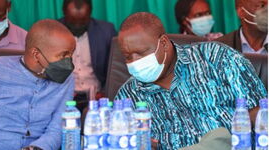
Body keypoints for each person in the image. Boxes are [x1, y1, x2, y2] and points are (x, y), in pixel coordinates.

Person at [114, 12, 267, 150]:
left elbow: (262, 112)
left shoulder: (217, 59)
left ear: (164, 43)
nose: (134, 62)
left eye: (141, 54)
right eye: (128, 56)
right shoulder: (128, 96)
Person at [0, 19, 75, 150]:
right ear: (36, 54)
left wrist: (37, 148)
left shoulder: (66, 79)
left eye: (71, 54)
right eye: (63, 55)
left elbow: (58, 127)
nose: (69, 63)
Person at [58, 0, 117, 100]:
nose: (77, 25)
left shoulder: (106, 31)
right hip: (63, 96)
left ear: (90, 14)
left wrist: (104, 91)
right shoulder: (53, 31)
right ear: (64, 13)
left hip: (97, 96)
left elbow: (115, 69)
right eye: (72, 21)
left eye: (82, 21)